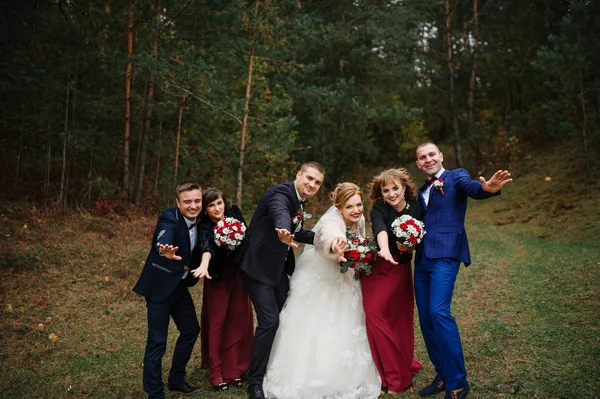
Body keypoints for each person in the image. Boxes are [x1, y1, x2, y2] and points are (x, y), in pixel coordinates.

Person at [262, 182, 381, 399]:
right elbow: (331, 238)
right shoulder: (330, 222)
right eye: (349, 207)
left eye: (359, 204)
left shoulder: (360, 218)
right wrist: (337, 246)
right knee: (320, 323)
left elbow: (361, 239)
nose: (356, 210)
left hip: (346, 274)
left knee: (347, 320)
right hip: (323, 277)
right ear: (339, 208)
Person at [414, 142, 512, 399]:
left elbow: (473, 188)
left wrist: (486, 189)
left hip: (446, 254)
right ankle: (442, 375)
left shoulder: (456, 176)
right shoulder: (421, 189)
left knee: (438, 311)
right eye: (422, 157)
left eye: (432, 154)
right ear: (418, 163)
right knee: (425, 317)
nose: (428, 159)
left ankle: (458, 381)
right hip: (421, 259)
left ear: (441, 156)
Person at [236, 162, 326, 399]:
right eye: (309, 178)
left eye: (317, 182)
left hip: (277, 271)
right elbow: (280, 214)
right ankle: (254, 381)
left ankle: (279, 368)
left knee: (287, 315)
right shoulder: (281, 193)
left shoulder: (298, 201)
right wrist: (283, 229)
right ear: (298, 174)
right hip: (256, 267)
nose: (312, 185)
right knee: (270, 321)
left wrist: (327, 238)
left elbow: (296, 231)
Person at [132, 181, 203, 399]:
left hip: (180, 287)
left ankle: (176, 378)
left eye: (197, 201)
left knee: (191, 330)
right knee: (157, 341)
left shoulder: (203, 221)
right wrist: (164, 249)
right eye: (187, 201)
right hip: (159, 288)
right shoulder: (169, 217)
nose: (193, 206)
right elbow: (165, 233)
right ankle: (154, 393)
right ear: (177, 202)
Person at [363, 168, 423, 395]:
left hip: (399, 269)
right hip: (379, 265)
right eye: (385, 190)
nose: (391, 193)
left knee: (398, 318)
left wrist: (410, 246)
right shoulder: (379, 209)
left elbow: (421, 235)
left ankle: (397, 372)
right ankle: (386, 372)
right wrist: (386, 250)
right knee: (374, 314)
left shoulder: (417, 207)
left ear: (404, 187)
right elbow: (380, 230)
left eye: (395, 188)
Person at [191, 188, 254, 391]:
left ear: (224, 202)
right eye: (211, 205)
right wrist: (203, 263)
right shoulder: (205, 225)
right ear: (205, 209)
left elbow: (247, 235)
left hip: (238, 273)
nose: (216, 208)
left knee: (239, 318)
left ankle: (235, 369)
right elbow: (206, 246)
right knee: (217, 322)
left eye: (218, 203)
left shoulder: (234, 212)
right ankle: (216, 371)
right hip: (217, 275)